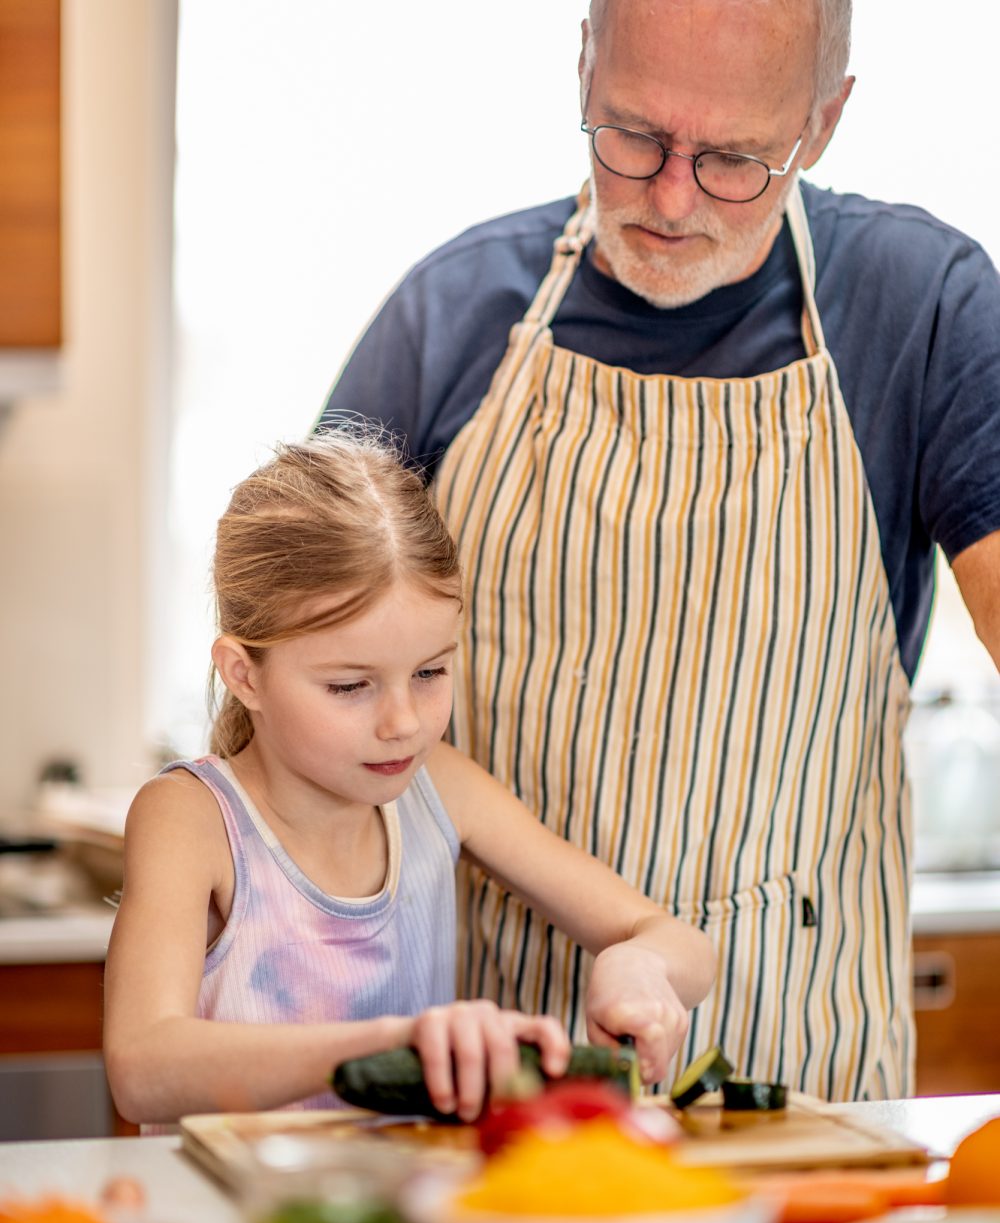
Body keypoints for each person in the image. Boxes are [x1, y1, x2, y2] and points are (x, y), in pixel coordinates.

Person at [316, 0, 1000, 1103]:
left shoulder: (917, 308)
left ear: (823, 123)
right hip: (487, 1098)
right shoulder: (450, 315)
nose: (672, 197)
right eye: (633, 138)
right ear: (584, 63)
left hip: (798, 1095)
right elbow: (296, 684)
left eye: (733, 158)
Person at [103, 431, 714, 1126]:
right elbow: (142, 1066)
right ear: (245, 674)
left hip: (411, 1217)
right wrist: (388, 1044)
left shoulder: (439, 790)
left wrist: (643, 967)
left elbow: (677, 940)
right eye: (350, 685)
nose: (403, 722)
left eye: (430, 672)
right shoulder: (190, 818)